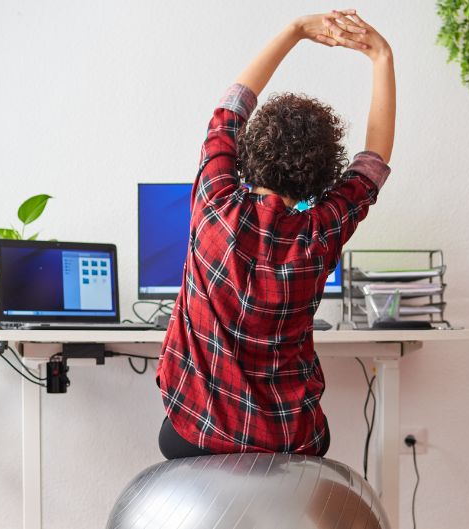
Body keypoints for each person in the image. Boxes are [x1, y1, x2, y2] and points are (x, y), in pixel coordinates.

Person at [155, 9, 396, 459]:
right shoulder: (321, 232)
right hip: (292, 441)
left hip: (197, 434)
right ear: (322, 179)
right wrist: (382, 57)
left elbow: (230, 109)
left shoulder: (215, 201)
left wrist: (295, 31)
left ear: (246, 153)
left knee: (171, 430)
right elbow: (371, 164)